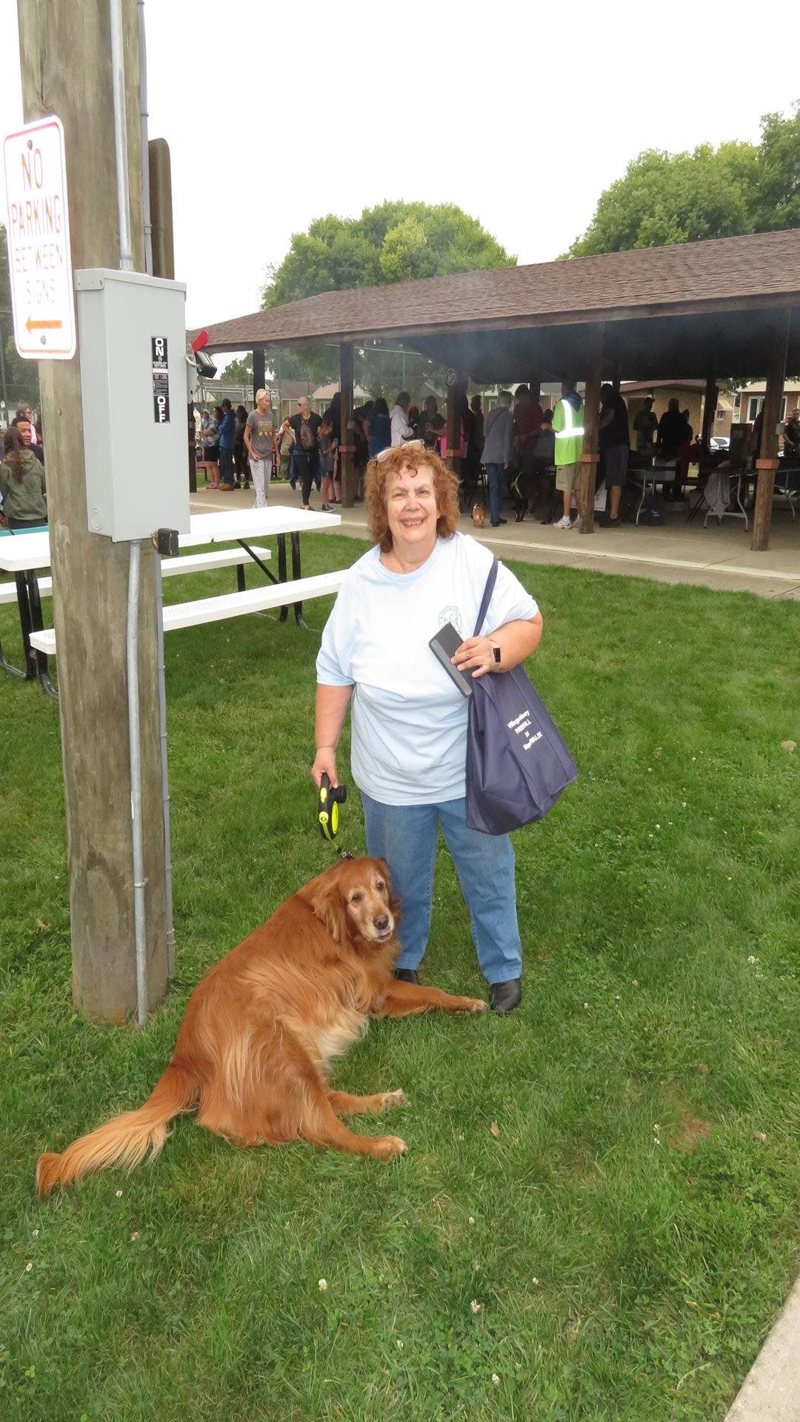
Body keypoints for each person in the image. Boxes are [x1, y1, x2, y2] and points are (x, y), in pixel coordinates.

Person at [312, 442, 543, 1016]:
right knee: (398, 882)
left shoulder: (470, 563)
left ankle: (503, 967)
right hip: (389, 772)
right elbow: (334, 669)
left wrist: (494, 649)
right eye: (399, 494)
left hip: (470, 765)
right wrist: (325, 747)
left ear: (440, 503)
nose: (412, 505)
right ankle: (402, 961)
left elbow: (529, 622)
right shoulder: (360, 583)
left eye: (422, 492)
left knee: (488, 871)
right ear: (382, 508)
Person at [552, 379, 585, 529]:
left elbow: (557, 427)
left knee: (566, 486)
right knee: (577, 487)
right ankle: (581, 517)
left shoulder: (562, 404)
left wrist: (546, 426)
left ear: (563, 387)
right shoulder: (581, 404)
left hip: (565, 451)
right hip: (579, 450)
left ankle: (566, 518)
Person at [0, 427, 47, 528]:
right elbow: (44, 487)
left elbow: (3, 492)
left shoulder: (5, 465)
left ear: (6, 444)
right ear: (22, 441)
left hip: (16, 517)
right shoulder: (36, 461)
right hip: (38, 515)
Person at [481, 389, 514, 526]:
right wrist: (506, 458)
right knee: (499, 486)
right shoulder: (508, 416)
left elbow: (484, 433)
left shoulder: (490, 414)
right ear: (509, 402)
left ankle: (494, 516)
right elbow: (507, 438)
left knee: (493, 485)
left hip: (488, 453)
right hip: (500, 455)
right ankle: (495, 516)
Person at [597, 384, 630, 527]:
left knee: (615, 479)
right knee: (613, 479)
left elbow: (608, 417)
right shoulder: (618, 401)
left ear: (604, 394)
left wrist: (595, 428)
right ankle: (612, 512)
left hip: (615, 446)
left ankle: (614, 515)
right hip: (616, 445)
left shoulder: (612, 401)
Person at [282, 395, 322, 509]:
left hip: (313, 452)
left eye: (299, 404)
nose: (298, 406)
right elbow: (284, 425)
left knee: (310, 477)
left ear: (305, 406)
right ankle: (305, 504)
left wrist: (319, 435)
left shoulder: (316, 418)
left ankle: (305, 503)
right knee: (306, 476)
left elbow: (324, 426)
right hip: (300, 452)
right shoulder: (295, 418)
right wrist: (293, 435)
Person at [244, 389, 276, 508]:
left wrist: (277, 454)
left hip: (268, 455)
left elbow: (273, 435)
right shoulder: (253, 416)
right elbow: (245, 436)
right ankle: (264, 512)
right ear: (260, 401)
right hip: (257, 456)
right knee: (260, 489)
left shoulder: (270, 416)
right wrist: (251, 452)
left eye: (269, 401)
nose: (268, 403)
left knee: (265, 489)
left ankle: (256, 509)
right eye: (266, 401)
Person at [318, 416, 338, 511]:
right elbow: (324, 451)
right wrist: (332, 447)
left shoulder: (326, 437)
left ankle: (326, 503)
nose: (332, 428)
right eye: (331, 426)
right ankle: (324, 504)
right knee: (325, 485)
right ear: (327, 427)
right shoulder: (325, 438)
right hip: (325, 463)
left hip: (327, 462)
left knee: (326, 485)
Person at [217, 398, 236, 490]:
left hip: (227, 443)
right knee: (224, 463)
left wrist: (219, 426)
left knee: (227, 463)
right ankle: (226, 481)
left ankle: (229, 482)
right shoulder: (227, 416)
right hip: (224, 443)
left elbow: (223, 429)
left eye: (223, 407)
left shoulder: (229, 417)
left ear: (226, 406)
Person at [201, 408, 221, 489]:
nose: (213, 413)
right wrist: (205, 432)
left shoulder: (216, 421)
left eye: (215, 411)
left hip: (213, 444)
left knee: (213, 463)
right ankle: (212, 482)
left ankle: (216, 482)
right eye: (213, 411)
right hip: (207, 444)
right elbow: (204, 431)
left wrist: (205, 432)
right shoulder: (208, 421)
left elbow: (209, 432)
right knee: (207, 463)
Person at [233, 405, 249, 489]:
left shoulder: (245, 423)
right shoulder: (236, 422)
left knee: (244, 463)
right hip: (236, 445)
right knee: (237, 463)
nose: (237, 413)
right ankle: (238, 480)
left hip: (243, 445)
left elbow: (245, 436)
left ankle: (246, 480)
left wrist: (245, 450)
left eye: (238, 412)